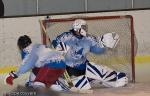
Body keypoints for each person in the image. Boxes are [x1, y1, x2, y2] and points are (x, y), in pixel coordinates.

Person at [52, 19, 128, 89]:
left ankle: (115, 77)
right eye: (84, 27)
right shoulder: (66, 36)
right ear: (77, 27)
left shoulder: (88, 38)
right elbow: (55, 42)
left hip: (84, 66)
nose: (85, 29)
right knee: (82, 84)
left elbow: (97, 49)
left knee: (97, 69)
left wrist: (104, 44)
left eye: (85, 27)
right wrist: (57, 47)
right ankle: (60, 83)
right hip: (69, 68)